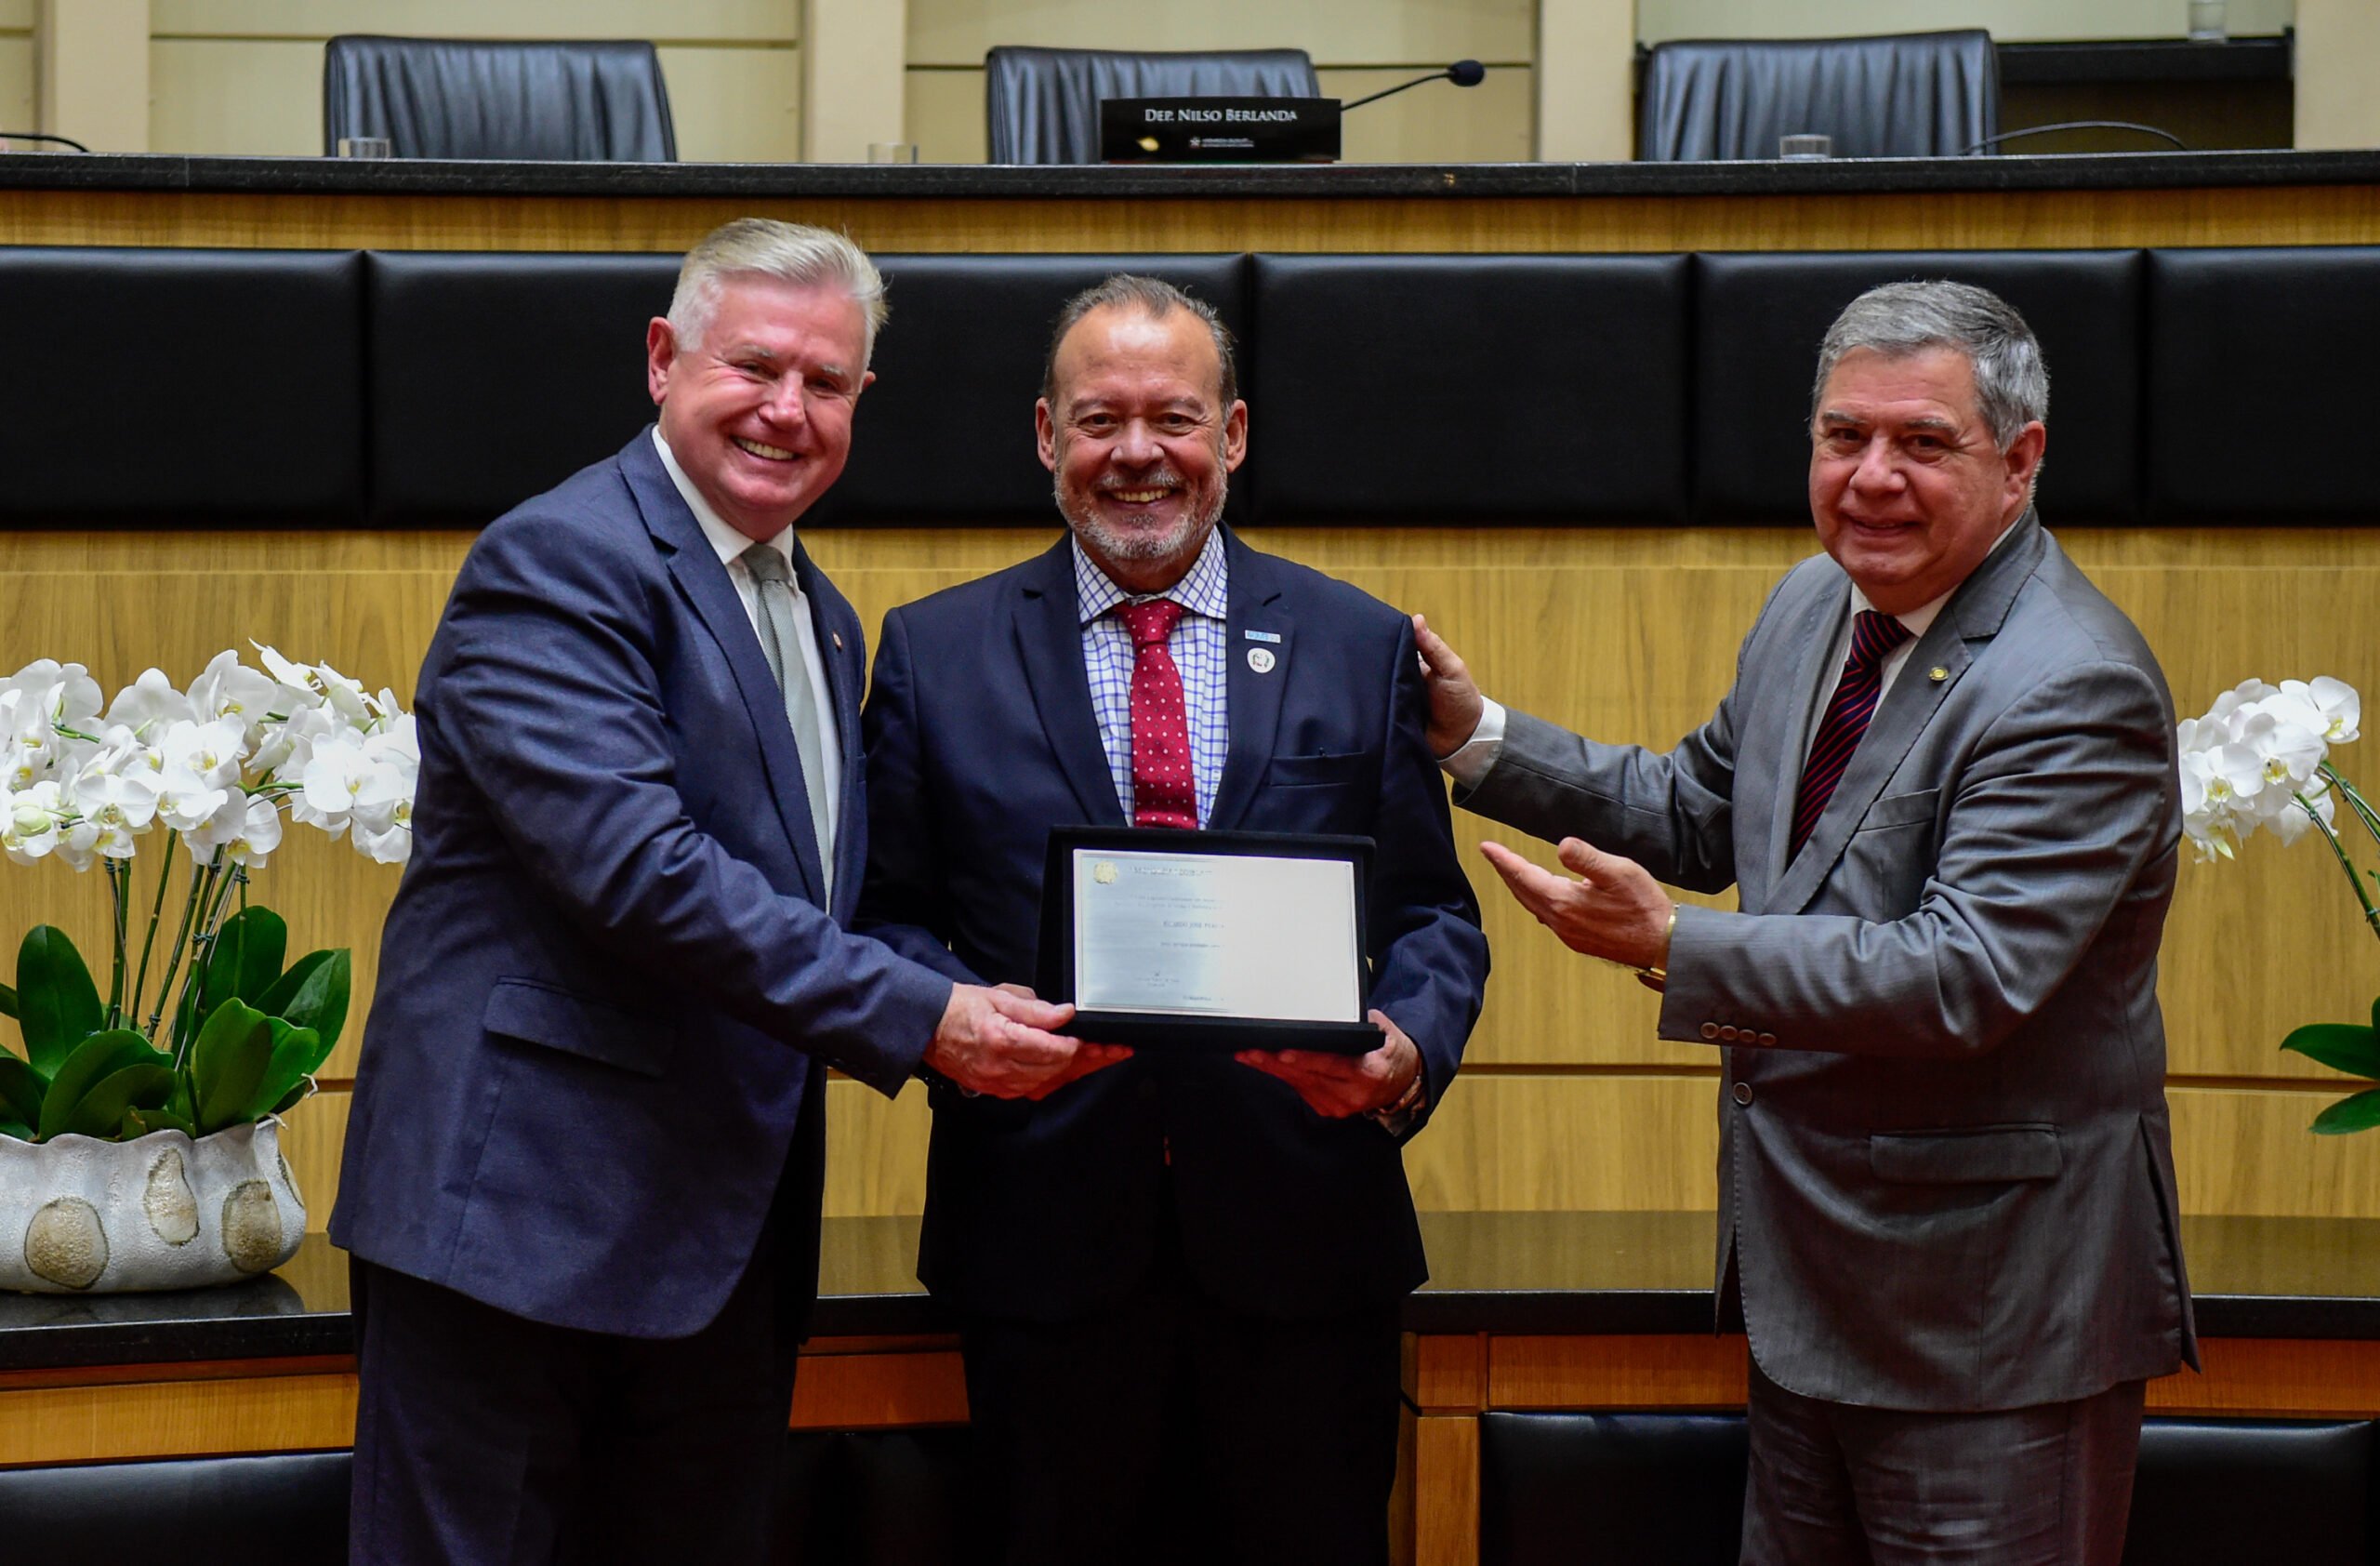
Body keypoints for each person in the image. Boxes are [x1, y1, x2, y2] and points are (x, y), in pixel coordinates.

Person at [330, 219, 1097, 1566]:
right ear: (661, 359)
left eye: (827, 383)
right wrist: (929, 1017)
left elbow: (822, 899)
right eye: (756, 367)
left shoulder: (821, 612)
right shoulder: (560, 562)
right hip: (518, 1229)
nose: (786, 410)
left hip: (721, 1249)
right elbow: (644, 872)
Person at [1414, 280, 2195, 1565]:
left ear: (2020, 460)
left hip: (1990, 1326)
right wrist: (1477, 737)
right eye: (1845, 437)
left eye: (1922, 444)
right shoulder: (1812, 608)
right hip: (1813, 1296)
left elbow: (1965, 976)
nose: (1872, 478)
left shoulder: (2074, 683)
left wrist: (1674, 945)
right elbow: (1701, 807)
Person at [858, 274, 1489, 1566]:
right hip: (1039, 1256)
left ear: (1235, 434)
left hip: (1307, 1250)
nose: (1137, 453)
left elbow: (1432, 912)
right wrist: (948, 1022)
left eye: (1175, 418)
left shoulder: (1357, 642)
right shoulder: (933, 652)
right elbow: (884, 918)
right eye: (1099, 420)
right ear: (1046, 437)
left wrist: (1408, 1048)